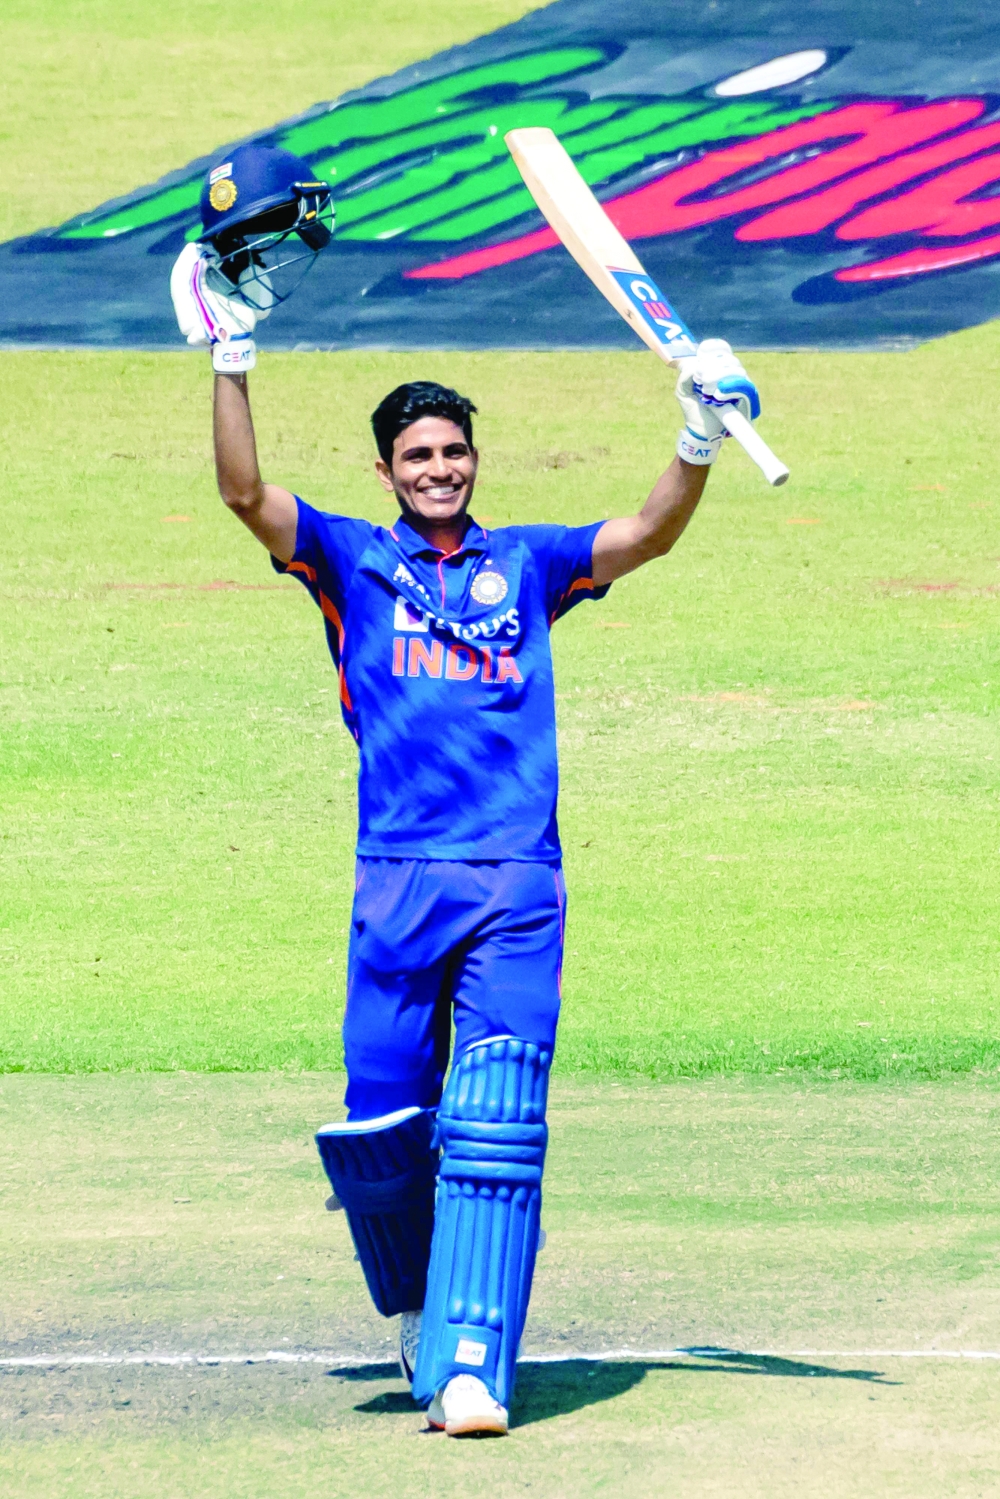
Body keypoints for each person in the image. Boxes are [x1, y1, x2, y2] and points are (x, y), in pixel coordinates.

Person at [171, 178, 761, 1437]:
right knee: (383, 1123)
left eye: (454, 451)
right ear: (386, 471)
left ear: (472, 461)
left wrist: (698, 435)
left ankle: (472, 1364)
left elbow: (647, 535)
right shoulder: (347, 557)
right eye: (418, 456)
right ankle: (413, 1312)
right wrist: (233, 353)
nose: (439, 468)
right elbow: (242, 497)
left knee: (494, 1118)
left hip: (513, 883)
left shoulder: (527, 564)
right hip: (394, 880)